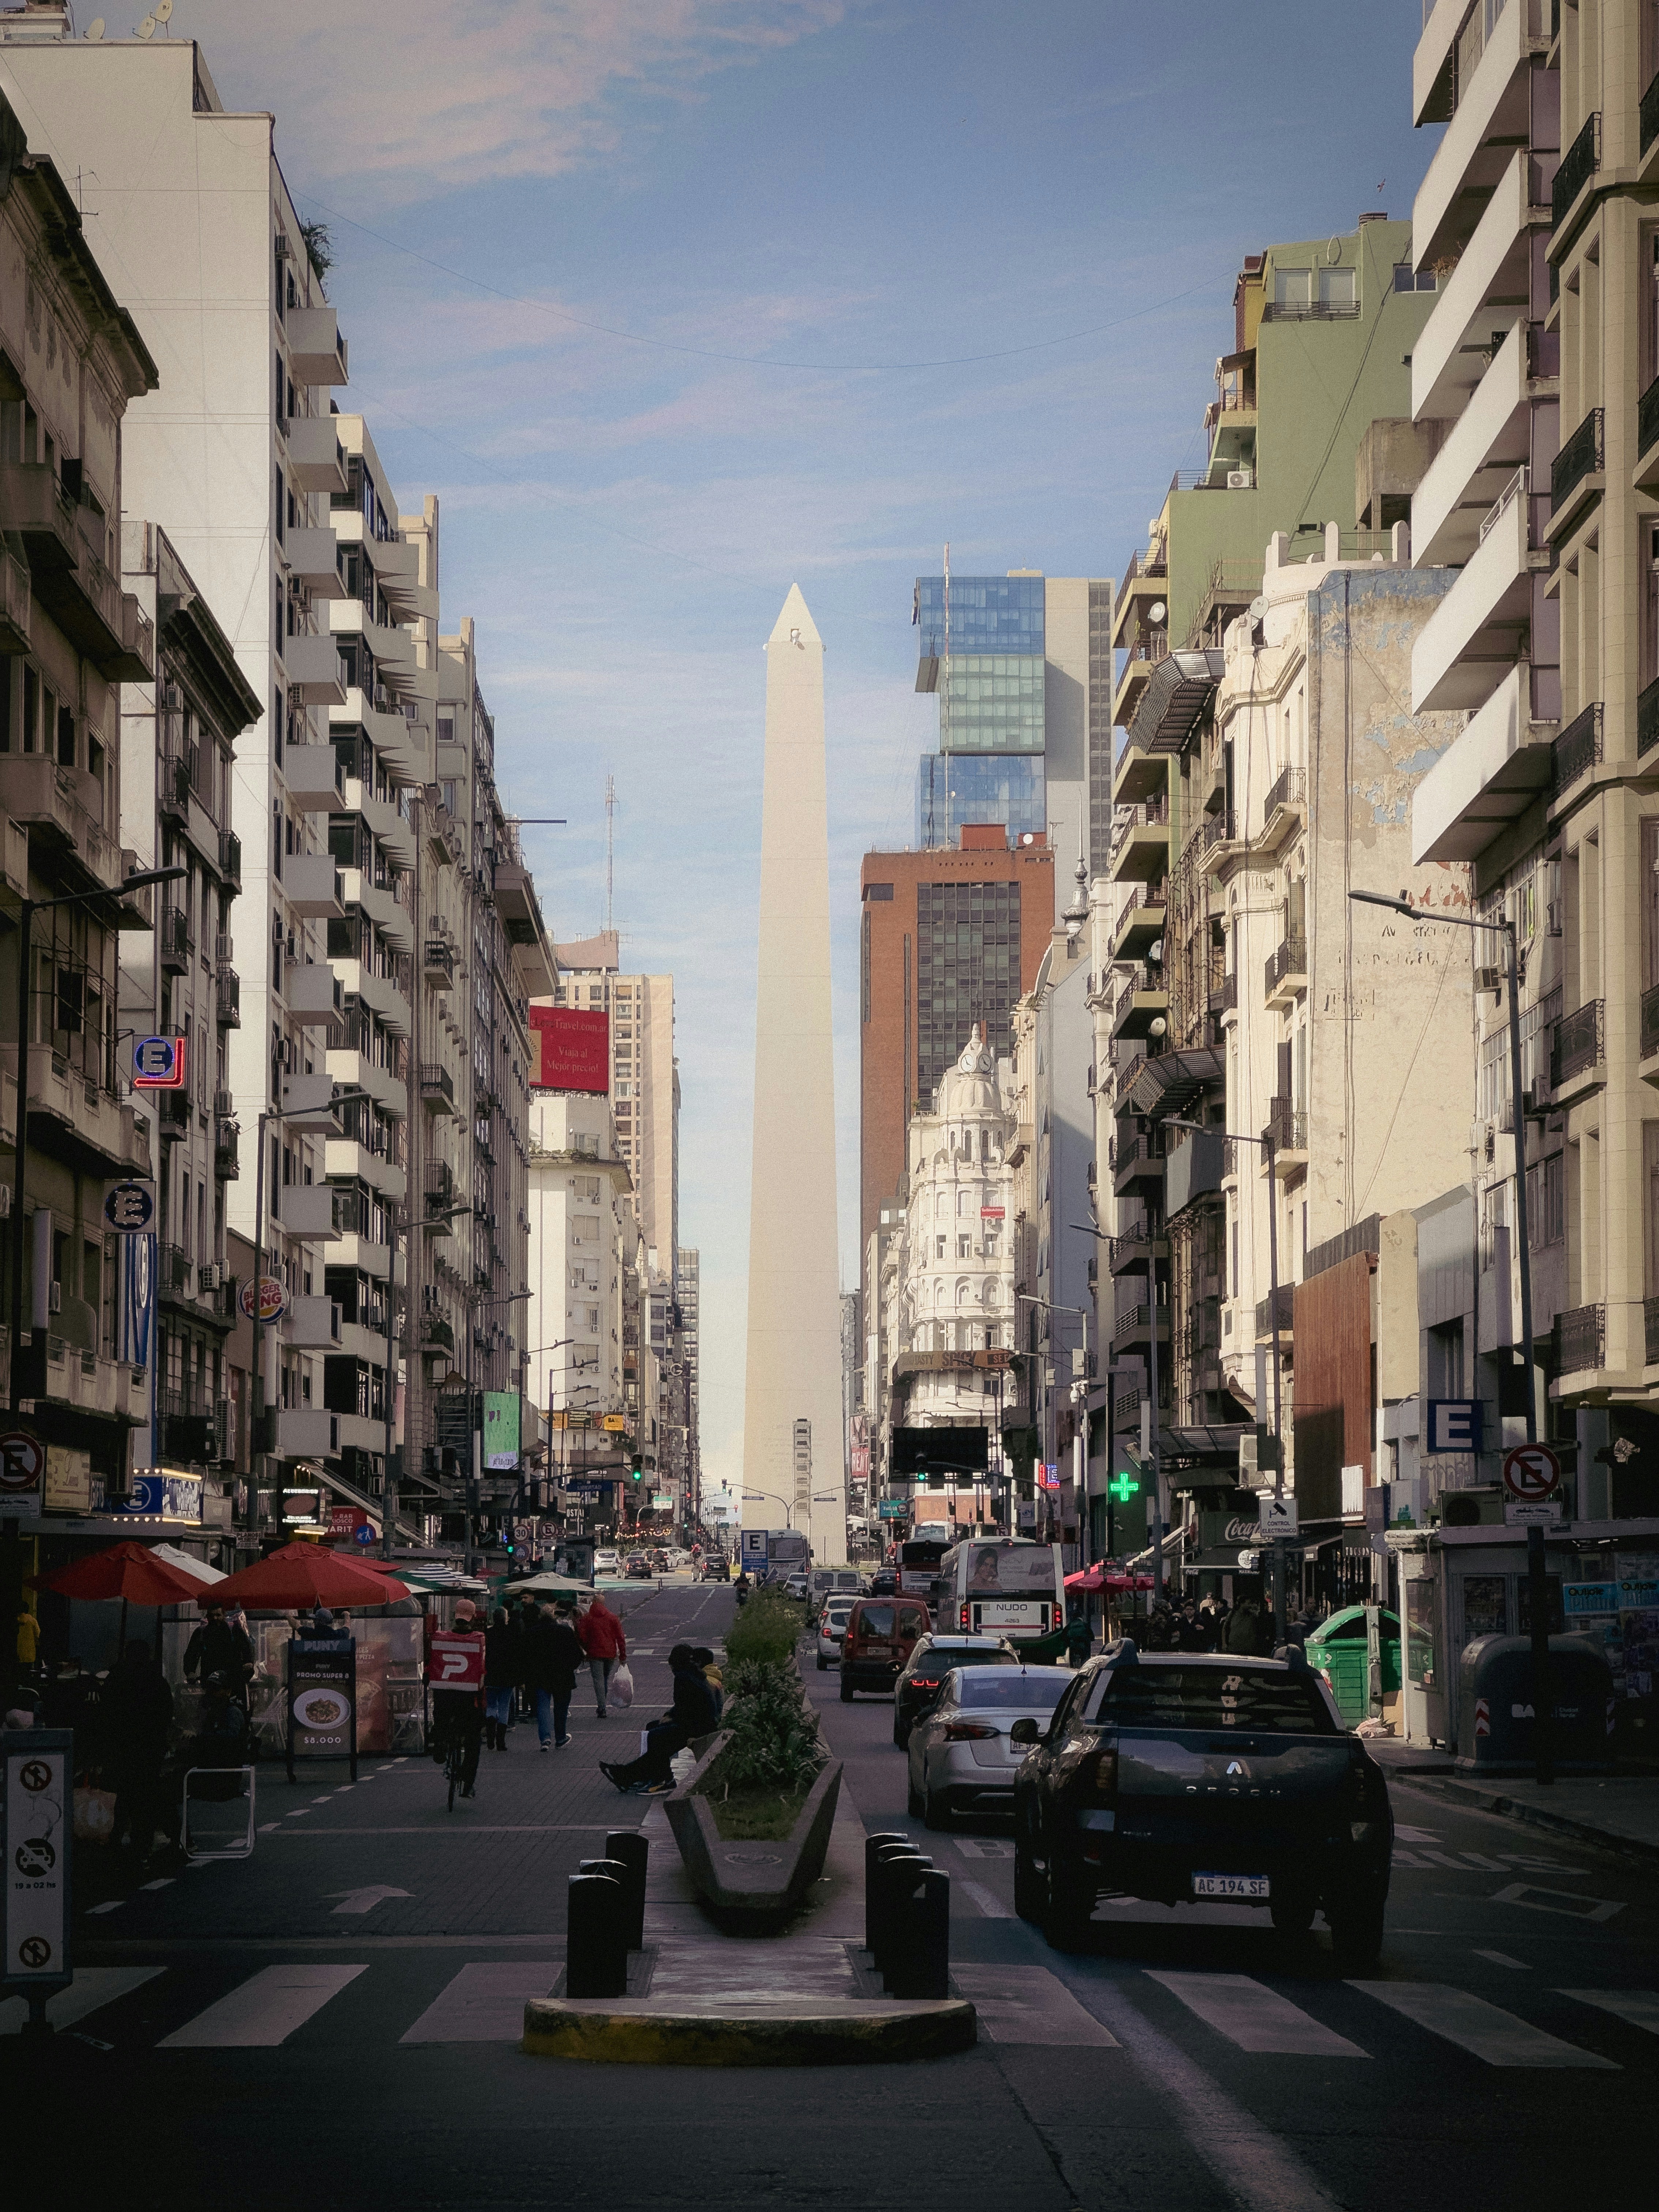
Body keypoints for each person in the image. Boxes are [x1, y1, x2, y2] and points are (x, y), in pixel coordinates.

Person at [600, 1645, 720, 1795]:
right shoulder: (693, 1674)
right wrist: (670, 1715)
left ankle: (663, 1780)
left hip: (698, 1727)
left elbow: (686, 1709)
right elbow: (686, 1705)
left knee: (657, 1737)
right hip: (700, 1723)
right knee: (653, 1728)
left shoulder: (683, 1678)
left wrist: (672, 1718)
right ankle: (631, 1775)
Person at [101, 1639, 174, 1856]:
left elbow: (107, 1713)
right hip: (149, 1749)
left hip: (123, 1748)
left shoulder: (116, 1680)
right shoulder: (156, 1681)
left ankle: (118, 1837)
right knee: (146, 1796)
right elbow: (165, 1714)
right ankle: (142, 1843)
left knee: (124, 1795)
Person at [428, 1605, 484, 1798]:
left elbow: (431, 1665)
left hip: (444, 1697)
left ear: (455, 1617)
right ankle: (468, 1785)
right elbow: (484, 1670)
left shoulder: (440, 1637)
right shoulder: (479, 1639)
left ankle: (440, 1743)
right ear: (473, 1618)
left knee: (441, 1720)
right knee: (473, 1741)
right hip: (469, 1701)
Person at [525, 1599, 583, 1750]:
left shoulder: (532, 1633)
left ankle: (545, 1739)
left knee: (543, 1707)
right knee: (561, 1707)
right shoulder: (565, 1631)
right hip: (562, 1675)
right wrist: (570, 1667)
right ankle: (561, 1737)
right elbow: (577, 1654)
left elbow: (526, 1655)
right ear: (554, 1616)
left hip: (540, 1676)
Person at [183, 1602, 254, 1700]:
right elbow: (191, 1654)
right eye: (212, 1616)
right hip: (211, 1680)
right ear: (207, 1617)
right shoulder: (201, 1633)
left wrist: (248, 1663)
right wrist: (190, 1671)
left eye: (218, 1615)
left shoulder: (234, 1631)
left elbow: (247, 1650)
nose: (215, 1618)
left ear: (224, 1615)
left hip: (232, 1680)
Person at [576, 1589, 628, 1718]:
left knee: (598, 1680)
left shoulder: (587, 1619)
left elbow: (581, 1636)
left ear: (593, 1602)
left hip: (594, 1654)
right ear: (604, 1604)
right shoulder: (612, 1617)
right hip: (610, 1653)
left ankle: (602, 1707)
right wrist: (622, 1655)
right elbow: (621, 1638)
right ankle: (602, 1704)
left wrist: (587, 1649)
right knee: (605, 1678)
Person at [483, 1606, 515, 1751]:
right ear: (506, 1618)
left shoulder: (487, 1634)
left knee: (491, 1706)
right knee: (504, 1707)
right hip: (507, 1676)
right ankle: (501, 1742)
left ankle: (490, 1737)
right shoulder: (511, 1634)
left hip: (490, 1675)